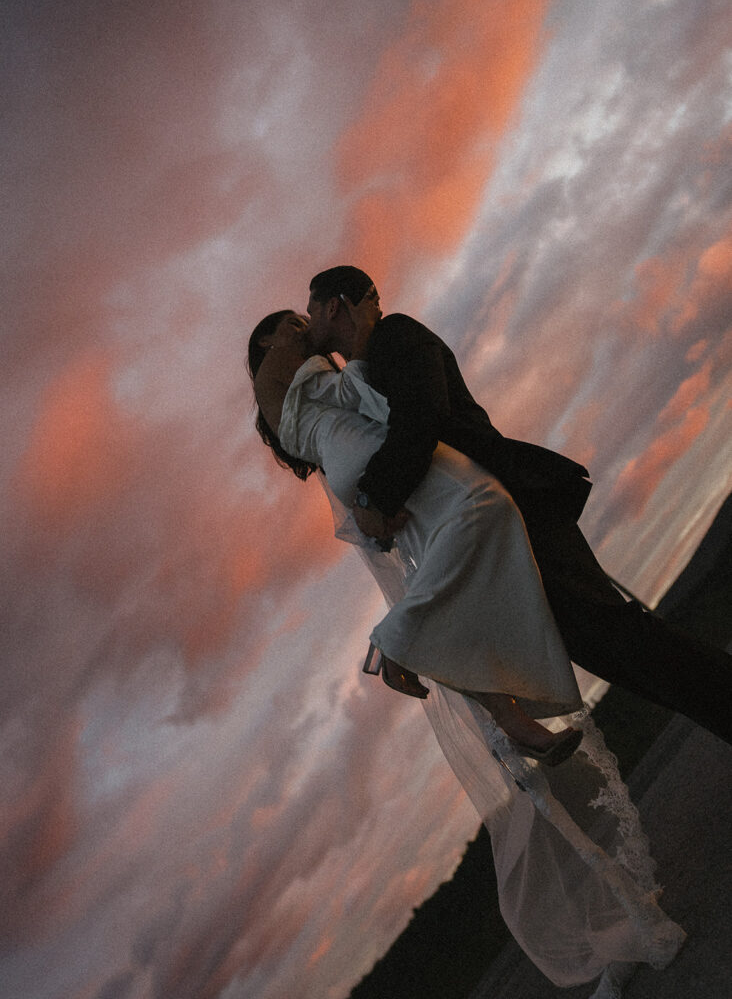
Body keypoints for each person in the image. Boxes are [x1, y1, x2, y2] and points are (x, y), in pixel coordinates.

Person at [247, 307, 687, 995]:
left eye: (307, 316)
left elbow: (402, 425)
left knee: (557, 629)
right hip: (437, 532)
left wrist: (324, 340)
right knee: (515, 744)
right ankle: (618, 922)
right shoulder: (296, 405)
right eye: (290, 324)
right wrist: (307, 329)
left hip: (452, 512)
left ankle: (465, 688)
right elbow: (273, 371)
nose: (304, 324)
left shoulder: (336, 387)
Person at [304, 265, 732, 746]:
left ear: (334, 305)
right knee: (619, 649)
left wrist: (372, 498)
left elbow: (420, 419)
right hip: (501, 526)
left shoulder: (395, 336)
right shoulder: (369, 372)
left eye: (310, 311)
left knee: (623, 641)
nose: (307, 324)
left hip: (518, 509)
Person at [249, 306, 584, 764]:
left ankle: (517, 726)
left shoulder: (278, 400)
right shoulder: (283, 366)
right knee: (487, 503)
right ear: (266, 341)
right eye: (293, 323)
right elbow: (349, 391)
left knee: (456, 596)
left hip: (349, 463)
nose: (304, 329)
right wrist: (361, 337)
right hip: (364, 452)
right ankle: (396, 641)